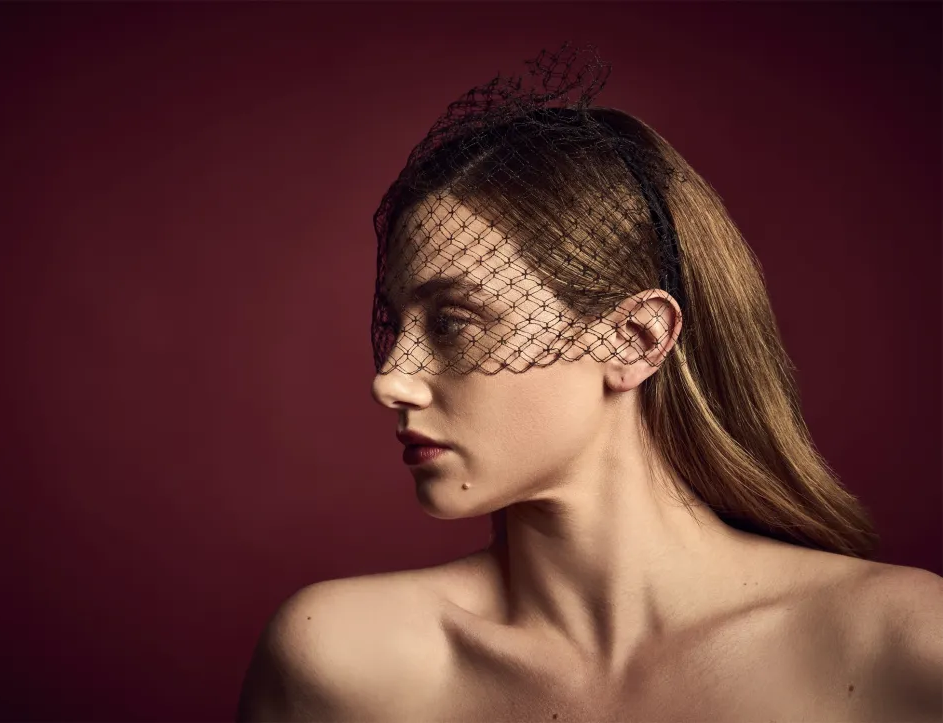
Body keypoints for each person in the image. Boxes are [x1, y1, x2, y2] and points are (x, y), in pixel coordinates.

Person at [237, 44, 943, 723]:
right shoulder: (345, 664)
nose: (390, 381)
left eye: (453, 323)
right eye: (397, 325)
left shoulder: (904, 647)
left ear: (635, 339)